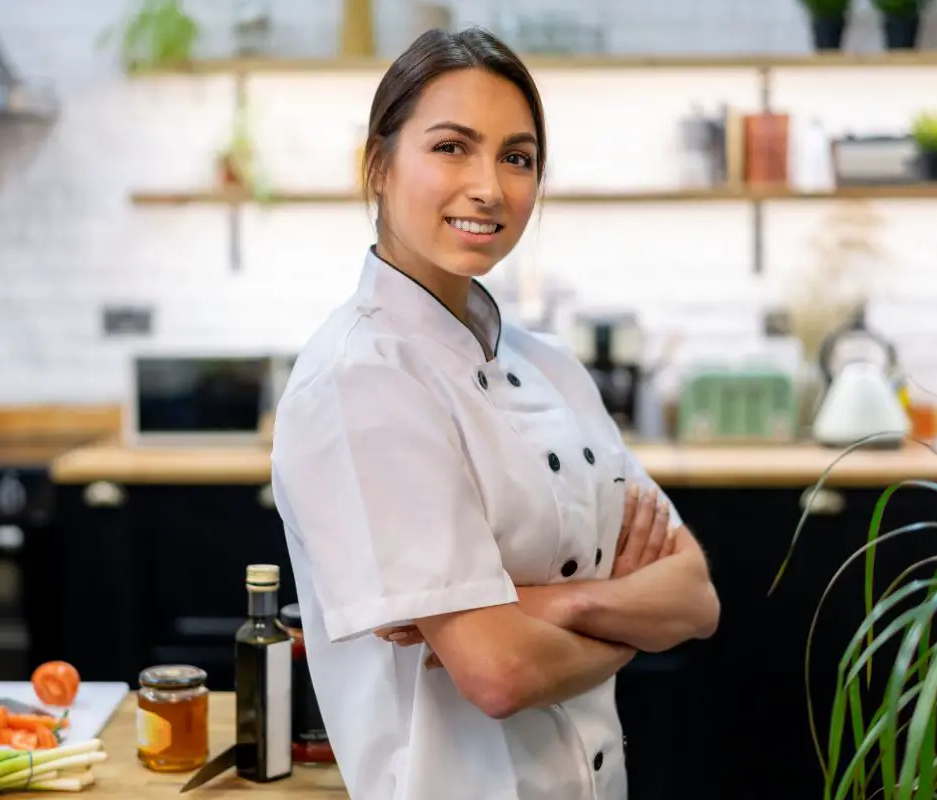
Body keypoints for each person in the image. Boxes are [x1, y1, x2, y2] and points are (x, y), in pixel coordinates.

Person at [270, 26, 720, 800]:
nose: (490, 186)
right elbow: (501, 673)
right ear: (376, 166)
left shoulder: (555, 368)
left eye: (517, 157)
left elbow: (696, 597)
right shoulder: (360, 381)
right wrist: (630, 621)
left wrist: (557, 605)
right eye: (451, 147)